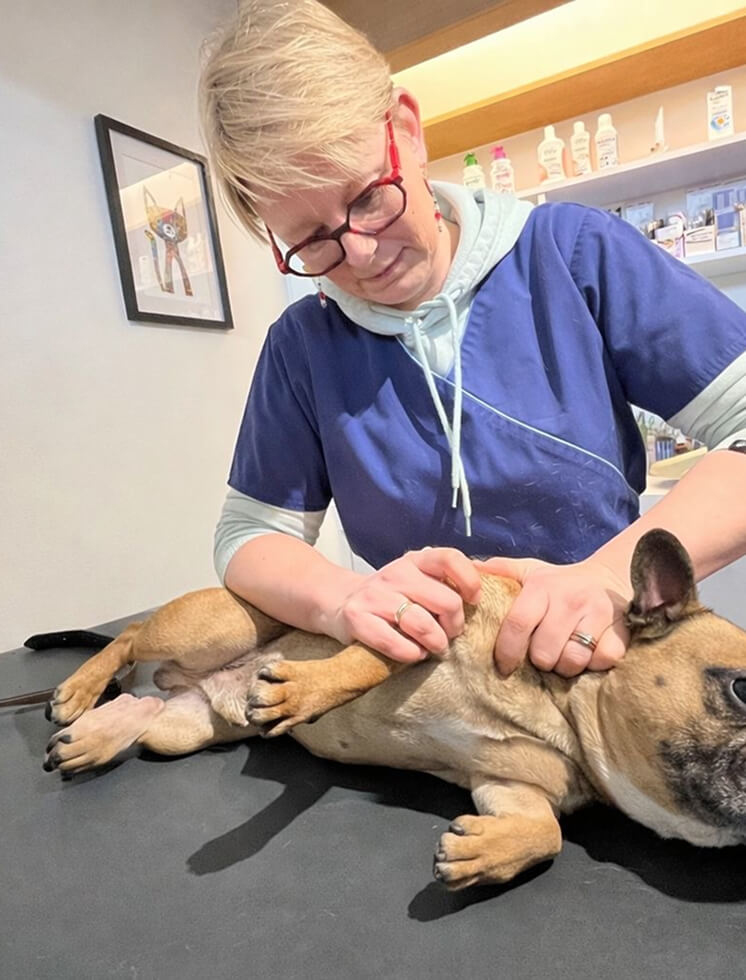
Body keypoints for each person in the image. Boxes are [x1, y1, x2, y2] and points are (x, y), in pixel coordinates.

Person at [201, 0, 746, 680]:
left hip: (598, 663)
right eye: (312, 240)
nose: (362, 254)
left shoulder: (574, 257)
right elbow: (250, 535)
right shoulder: (304, 345)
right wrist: (341, 600)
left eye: (369, 197)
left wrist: (607, 576)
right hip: (427, 688)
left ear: (406, 127)